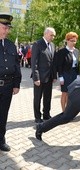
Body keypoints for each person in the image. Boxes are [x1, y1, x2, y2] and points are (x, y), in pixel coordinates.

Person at [0, 14, 22, 151]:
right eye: (4, 27)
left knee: (3, 115)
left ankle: (1, 140)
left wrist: (16, 84)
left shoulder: (10, 45)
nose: (7, 31)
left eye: (8, 28)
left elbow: (17, 65)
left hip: (7, 86)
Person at [31, 27, 57, 123]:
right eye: (51, 35)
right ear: (45, 34)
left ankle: (46, 115)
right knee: (38, 98)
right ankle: (37, 117)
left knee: (47, 97)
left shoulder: (53, 45)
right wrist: (36, 78)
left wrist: (54, 76)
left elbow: (53, 62)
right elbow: (34, 62)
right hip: (40, 77)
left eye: (53, 35)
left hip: (49, 77)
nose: (52, 37)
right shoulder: (37, 44)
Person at [56, 32, 80, 111]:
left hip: (74, 74)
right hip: (65, 74)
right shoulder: (62, 52)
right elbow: (59, 65)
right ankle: (64, 111)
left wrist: (78, 75)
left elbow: (77, 64)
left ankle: (69, 111)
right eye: (72, 40)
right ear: (67, 40)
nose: (73, 42)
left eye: (75, 41)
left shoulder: (76, 51)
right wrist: (61, 77)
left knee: (71, 94)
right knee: (65, 93)